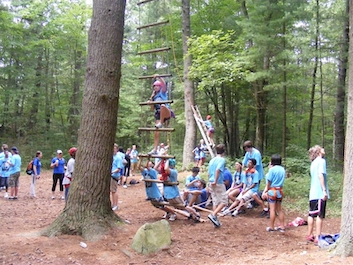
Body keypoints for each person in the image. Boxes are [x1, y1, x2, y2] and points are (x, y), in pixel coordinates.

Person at [306, 145, 329, 244]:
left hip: (312, 193)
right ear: (319, 151)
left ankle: (309, 234)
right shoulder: (321, 161)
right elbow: (320, 175)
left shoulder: (313, 163)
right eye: (322, 148)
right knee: (320, 215)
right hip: (319, 193)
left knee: (311, 214)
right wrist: (324, 190)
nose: (324, 149)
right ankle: (318, 236)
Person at [148, 74, 172, 154]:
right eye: (154, 86)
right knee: (156, 132)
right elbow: (152, 109)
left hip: (166, 111)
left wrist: (159, 77)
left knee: (162, 105)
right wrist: (150, 103)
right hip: (158, 114)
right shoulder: (154, 96)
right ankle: (155, 149)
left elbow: (164, 84)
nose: (156, 87)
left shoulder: (163, 92)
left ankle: (161, 122)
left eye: (157, 86)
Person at [262, 154, 286, 232]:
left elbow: (269, 181)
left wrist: (266, 190)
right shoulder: (283, 169)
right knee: (279, 209)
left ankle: (271, 227)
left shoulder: (272, 170)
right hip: (279, 191)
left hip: (272, 191)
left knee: (272, 210)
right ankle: (282, 226)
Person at [207, 144, 227, 227]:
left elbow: (208, 173)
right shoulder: (222, 160)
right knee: (224, 201)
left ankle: (215, 221)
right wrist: (215, 180)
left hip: (211, 182)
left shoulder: (212, 160)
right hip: (218, 182)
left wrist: (210, 181)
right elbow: (218, 170)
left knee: (215, 201)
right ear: (224, 151)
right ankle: (213, 214)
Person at [111, 143, 123, 211]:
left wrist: (112, 172)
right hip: (111, 175)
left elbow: (119, 168)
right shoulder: (112, 157)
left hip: (114, 176)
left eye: (114, 149)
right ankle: (113, 204)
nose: (113, 150)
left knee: (114, 191)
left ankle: (115, 205)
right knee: (112, 190)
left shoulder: (118, 158)